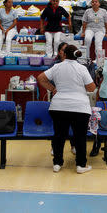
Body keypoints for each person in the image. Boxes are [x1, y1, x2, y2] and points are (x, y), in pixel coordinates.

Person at [37, 45, 96, 174]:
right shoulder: (82, 68)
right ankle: (81, 165)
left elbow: (41, 78)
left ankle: (57, 164)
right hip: (80, 108)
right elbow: (91, 88)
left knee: (59, 136)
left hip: (58, 107)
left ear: (64, 55)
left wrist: (53, 89)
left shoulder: (57, 67)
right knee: (80, 137)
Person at [49, 42, 76, 156]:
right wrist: (53, 88)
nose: (65, 52)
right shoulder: (55, 65)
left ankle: (73, 145)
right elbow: (46, 79)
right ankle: (55, 147)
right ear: (59, 52)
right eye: (63, 50)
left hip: (72, 98)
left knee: (73, 124)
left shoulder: (75, 64)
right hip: (58, 99)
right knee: (57, 126)